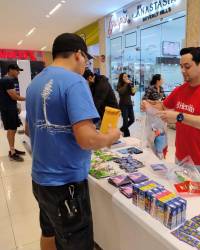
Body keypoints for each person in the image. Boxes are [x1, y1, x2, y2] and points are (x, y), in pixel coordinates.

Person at [25, 33, 120, 250]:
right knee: (77, 243)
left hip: (40, 180)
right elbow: (87, 139)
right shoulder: (75, 82)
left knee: (49, 232)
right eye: (86, 59)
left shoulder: (35, 84)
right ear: (78, 54)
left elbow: (29, 130)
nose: (86, 65)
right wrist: (111, 137)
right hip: (66, 186)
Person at [142, 47, 200, 180]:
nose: (182, 71)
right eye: (181, 66)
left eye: (187, 66)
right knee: (182, 194)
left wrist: (179, 116)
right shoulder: (180, 90)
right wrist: (149, 105)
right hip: (181, 156)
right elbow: (163, 106)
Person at [0, 64, 26, 162]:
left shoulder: (6, 80)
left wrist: (16, 106)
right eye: (17, 70)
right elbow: (14, 97)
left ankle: (12, 149)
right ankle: (12, 152)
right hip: (8, 110)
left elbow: (12, 96)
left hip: (8, 108)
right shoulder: (8, 80)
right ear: (11, 70)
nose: (18, 73)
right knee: (11, 130)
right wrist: (29, 98)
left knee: (12, 130)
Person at [117, 72, 135, 137]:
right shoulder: (119, 84)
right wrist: (126, 84)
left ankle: (121, 129)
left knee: (132, 120)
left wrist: (132, 86)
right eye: (124, 77)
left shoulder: (129, 84)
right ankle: (127, 136)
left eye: (127, 76)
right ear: (121, 78)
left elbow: (133, 93)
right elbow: (121, 92)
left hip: (129, 104)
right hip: (123, 105)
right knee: (125, 121)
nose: (126, 78)